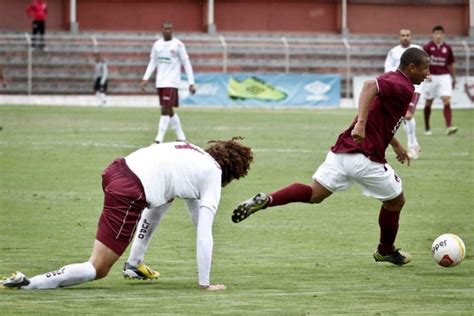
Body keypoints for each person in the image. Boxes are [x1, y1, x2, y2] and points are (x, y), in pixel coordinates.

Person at [232, 48, 430, 266]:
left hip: (342, 151)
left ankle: (268, 199)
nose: (427, 73)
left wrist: (396, 143)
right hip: (365, 156)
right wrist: (362, 124)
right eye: (425, 68)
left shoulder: (392, 78)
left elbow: (377, 112)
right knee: (396, 201)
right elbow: (368, 86)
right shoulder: (403, 86)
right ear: (412, 67)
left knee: (315, 193)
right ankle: (385, 250)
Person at [0, 138, 254, 291]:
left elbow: (181, 212)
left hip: (117, 169)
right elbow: (203, 233)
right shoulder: (212, 174)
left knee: (162, 199)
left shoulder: (193, 155)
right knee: (98, 268)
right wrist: (205, 283)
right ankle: (29, 283)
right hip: (130, 190)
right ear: (233, 172)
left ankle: (134, 265)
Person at [141, 21, 196, 144]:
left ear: (172, 30)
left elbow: (186, 63)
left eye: (170, 28)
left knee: (165, 109)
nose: (167, 30)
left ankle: (158, 139)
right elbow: (153, 62)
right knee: (168, 109)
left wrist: (191, 82)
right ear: (161, 29)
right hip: (160, 82)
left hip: (172, 82)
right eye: (165, 28)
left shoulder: (178, 45)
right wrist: (145, 78)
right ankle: (181, 136)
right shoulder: (157, 45)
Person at [385, 29, 423, 159]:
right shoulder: (393, 52)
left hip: (415, 88)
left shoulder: (417, 50)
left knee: (407, 116)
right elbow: (388, 68)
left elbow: (425, 65)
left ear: (411, 37)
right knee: (401, 116)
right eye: (403, 35)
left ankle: (412, 146)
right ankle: (415, 143)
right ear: (399, 37)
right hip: (399, 88)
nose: (405, 38)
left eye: (407, 35)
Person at [422, 25, 457, 136]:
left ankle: (448, 127)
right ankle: (427, 126)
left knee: (446, 100)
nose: (438, 35)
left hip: (444, 76)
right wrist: (426, 74)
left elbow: (451, 64)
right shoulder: (427, 47)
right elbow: (422, 63)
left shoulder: (448, 48)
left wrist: (454, 78)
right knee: (428, 103)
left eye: (440, 33)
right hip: (431, 77)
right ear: (433, 35)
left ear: (443, 35)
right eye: (436, 33)